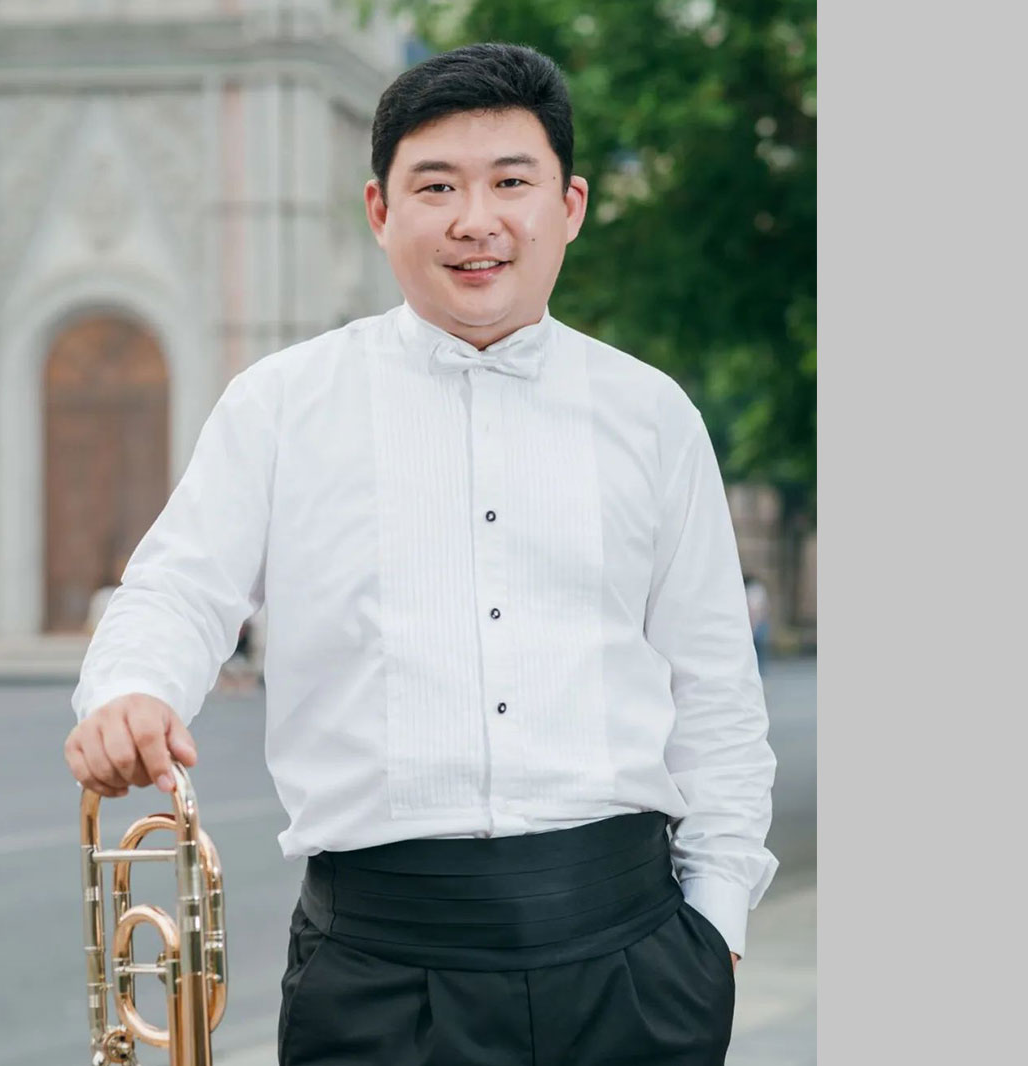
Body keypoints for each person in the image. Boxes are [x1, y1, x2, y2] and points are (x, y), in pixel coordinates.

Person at [65, 43, 777, 1066]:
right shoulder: (282, 405)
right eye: (436, 186)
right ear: (380, 209)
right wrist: (129, 691)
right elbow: (177, 587)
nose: (475, 220)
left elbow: (716, 692)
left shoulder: (653, 416)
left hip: (634, 965)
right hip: (379, 970)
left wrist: (715, 935)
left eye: (511, 183)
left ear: (570, 205)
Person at [745, 573, 772, 673]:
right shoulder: (758, 591)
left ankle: (757, 668)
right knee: (759, 647)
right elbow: (765, 607)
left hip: (756, 622)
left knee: (756, 647)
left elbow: (754, 609)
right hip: (760, 622)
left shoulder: (752, 592)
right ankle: (759, 669)